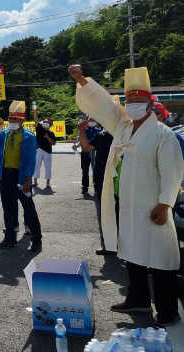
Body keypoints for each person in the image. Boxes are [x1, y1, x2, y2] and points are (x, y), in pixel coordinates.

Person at [72, 64, 184, 327]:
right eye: (129, 101)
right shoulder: (122, 124)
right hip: (125, 201)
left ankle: (168, 312)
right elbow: (104, 104)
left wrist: (165, 204)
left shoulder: (162, 134)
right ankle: (139, 300)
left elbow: (172, 171)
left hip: (152, 204)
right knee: (130, 252)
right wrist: (81, 79)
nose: (133, 105)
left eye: (139, 101)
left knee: (159, 257)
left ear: (150, 104)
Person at [0, 101, 43, 251]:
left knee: (29, 208)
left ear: (22, 120)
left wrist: (28, 180)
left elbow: (31, 160)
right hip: (6, 176)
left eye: (15, 119)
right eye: (10, 118)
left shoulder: (29, 137)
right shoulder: (4, 133)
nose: (12, 121)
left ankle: (37, 239)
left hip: (22, 176)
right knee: (8, 208)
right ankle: (10, 238)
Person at [76, 116, 115, 256]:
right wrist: (82, 131)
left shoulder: (126, 133)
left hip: (119, 180)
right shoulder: (102, 134)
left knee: (121, 213)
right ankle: (108, 245)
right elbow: (86, 148)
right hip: (101, 178)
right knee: (104, 213)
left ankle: (122, 246)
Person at [74, 116, 100, 195]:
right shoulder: (84, 130)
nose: (92, 121)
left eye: (94, 120)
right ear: (88, 121)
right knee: (85, 170)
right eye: (90, 120)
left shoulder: (99, 131)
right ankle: (85, 187)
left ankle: (97, 187)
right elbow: (81, 141)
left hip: (95, 152)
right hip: (85, 153)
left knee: (96, 170)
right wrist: (76, 145)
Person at [32, 108, 56, 189]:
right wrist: (35, 111)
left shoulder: (51, 133)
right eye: (44, 122)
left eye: (47, 122)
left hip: (48, 151)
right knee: (37, 165)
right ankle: (35, 181)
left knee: (48, 166)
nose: (45, 123)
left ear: (50, 124)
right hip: (39, 149)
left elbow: (53, 143)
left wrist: (48, 138)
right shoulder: (40, 129)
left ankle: (48, 182)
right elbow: (35, 120)